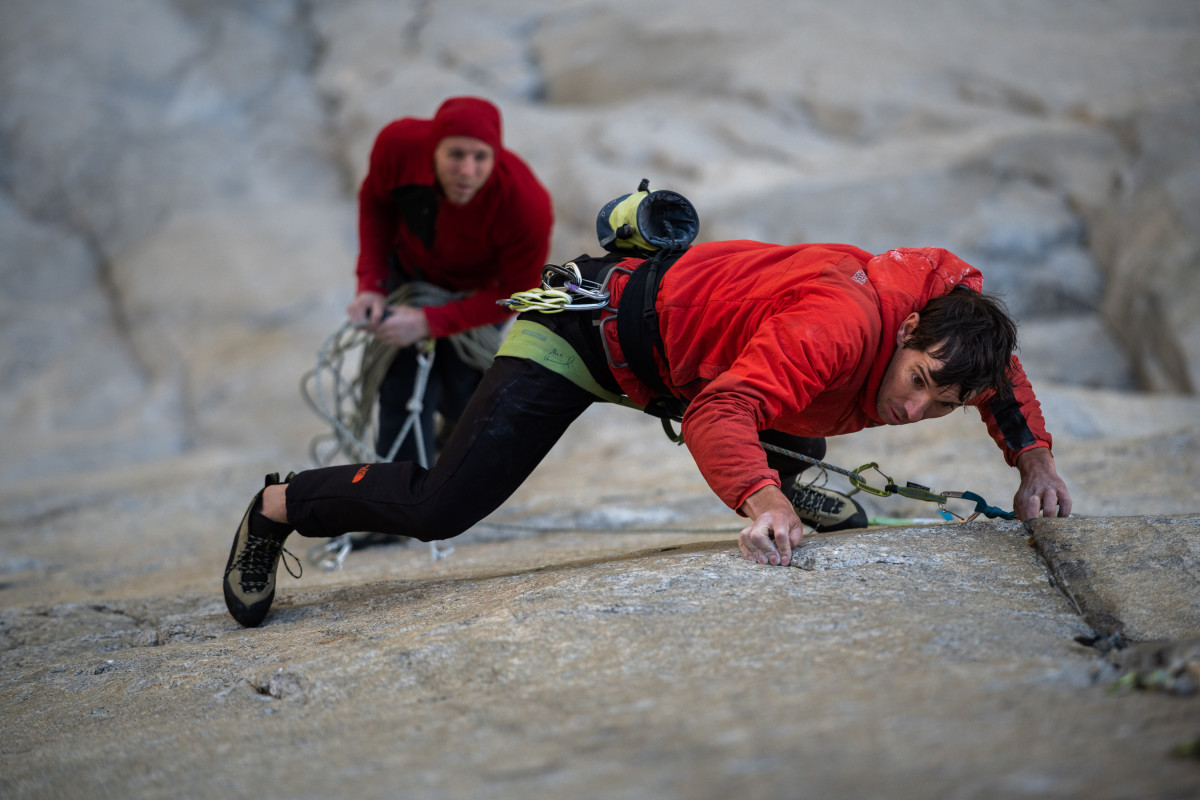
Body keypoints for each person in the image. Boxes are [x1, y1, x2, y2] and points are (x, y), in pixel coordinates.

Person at [223, 236, 1073, 628]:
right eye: (919, 383)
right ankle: (278, 505)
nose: (914, 411)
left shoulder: (950, 322)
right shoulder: (841, 326)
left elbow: (1000, 377)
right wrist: (762, 499)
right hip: (585, 335)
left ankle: (792, 466)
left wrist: (1032, 460)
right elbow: (720, 412)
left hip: (675, 358)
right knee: (444, 506)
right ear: (906, 330)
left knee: (784, 412)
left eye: (940, 407)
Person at [348, 96, 553, 465]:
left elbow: (519, 291)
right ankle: (397, 506)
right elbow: (375, 201)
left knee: (462, 390)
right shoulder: (397, 145)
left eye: (480, 157)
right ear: (433, 149)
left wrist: (430, 322)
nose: (467, 171)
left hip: (481, 291)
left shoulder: (526, 204)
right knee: (402, 383)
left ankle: (453, 449)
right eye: (455, 155)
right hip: (411, 271)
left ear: (497, 155)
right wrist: (371, 283)